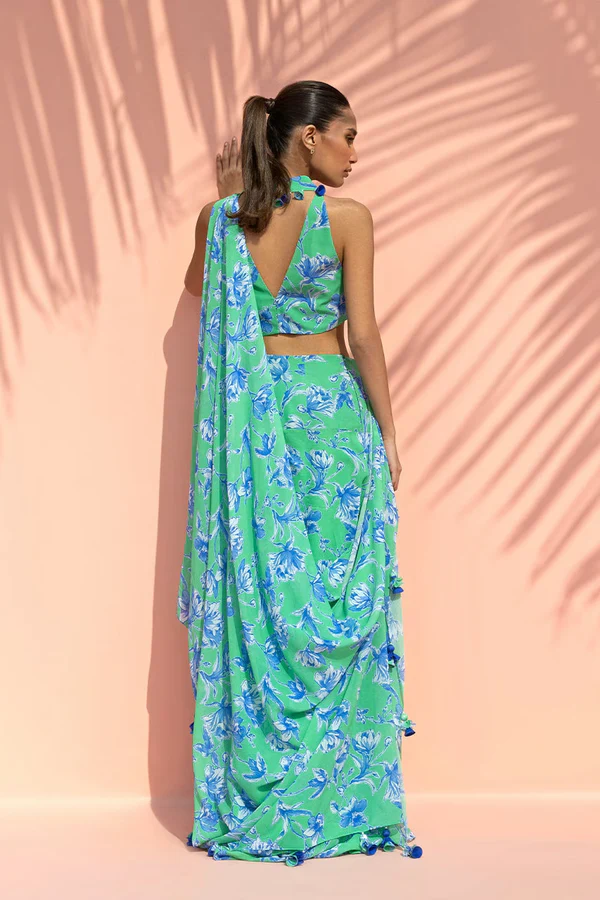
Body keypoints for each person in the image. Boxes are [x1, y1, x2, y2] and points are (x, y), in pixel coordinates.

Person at [177, 79, 422, 865]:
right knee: (336, 601)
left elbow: (199, 289)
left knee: (265, 601)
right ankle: (335, 793)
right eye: (348, 136)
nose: (356, 153)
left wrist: (231, 205)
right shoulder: (347, 219)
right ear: (309, 137)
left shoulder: (221, 221)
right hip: (331, 424)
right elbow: (365, 336)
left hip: (253, 425)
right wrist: (388, 431)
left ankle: (264, 784)